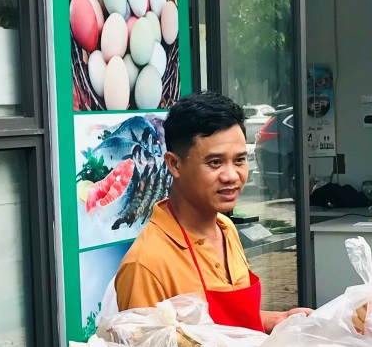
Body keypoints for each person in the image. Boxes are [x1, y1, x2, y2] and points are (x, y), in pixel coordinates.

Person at [114, 92, 309, 332]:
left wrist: (277, 319)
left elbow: (227, 322)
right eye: (215, 162)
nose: (231, 176)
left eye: (239, 160)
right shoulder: (146, 265)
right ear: (174, 164)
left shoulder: (226, 230)